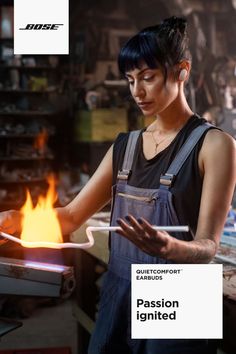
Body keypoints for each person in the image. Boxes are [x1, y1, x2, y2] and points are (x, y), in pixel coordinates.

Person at [0, 16, 235, 354]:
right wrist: (15, 219)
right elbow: (69, 217)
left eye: (148, 77)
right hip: (121, 285)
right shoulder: (124, 147)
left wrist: (172, 248)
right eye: (130, 80)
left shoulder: (216, 145)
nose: (136, 92)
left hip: (178, 292)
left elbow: (208, 246)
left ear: (182, 70)